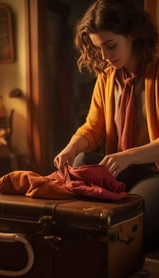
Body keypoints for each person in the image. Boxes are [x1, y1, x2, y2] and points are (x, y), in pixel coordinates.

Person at [53, 0, 159, 252]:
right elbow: (93, 127)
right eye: (99, 48)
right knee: (80, 160)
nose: (105, 56)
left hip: (154, 169)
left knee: (137, 217)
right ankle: (81, 248)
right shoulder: (107, 77)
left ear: (132, 35)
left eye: (111, 46)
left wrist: (128, 156)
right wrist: (69, 148)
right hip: (121, 163)